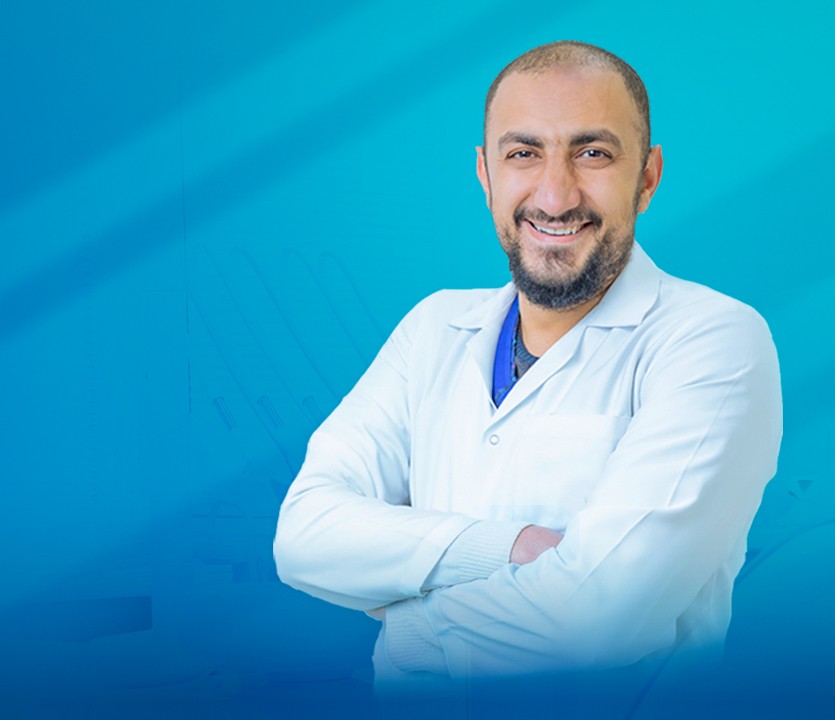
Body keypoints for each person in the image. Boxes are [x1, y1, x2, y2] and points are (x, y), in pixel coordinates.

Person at [273, 40, 782, 688]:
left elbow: (603, 616)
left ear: (648, 178)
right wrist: (508, 549)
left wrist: (409, 627)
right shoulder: (433, 329)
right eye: (523, 154)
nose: (555, 195)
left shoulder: (712, 340)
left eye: (592, 153)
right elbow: (305, 535)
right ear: (485, 175)